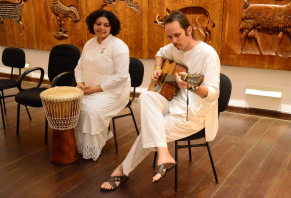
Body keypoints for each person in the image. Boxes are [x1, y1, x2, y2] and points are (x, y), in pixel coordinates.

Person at [100, 10, 220, 191]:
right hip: (172, 100)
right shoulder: (174, 47)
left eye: (177, 35)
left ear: (189, 30)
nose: (173, 41)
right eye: (170, 36)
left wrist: (192, 86)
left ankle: (122, 171)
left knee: (151, 129)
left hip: (194, 113)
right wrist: (157, 68)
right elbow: (160, 52)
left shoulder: (208, 54)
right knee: (146, 96)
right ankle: (164, 155)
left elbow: (213, 94)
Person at [74, 9, 131, 161]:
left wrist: (96, 89)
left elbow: (121, 76)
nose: (102, 28)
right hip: (88, 88)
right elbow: (79, 67)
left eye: (106, 25)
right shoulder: (89, 43)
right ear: (92, 25)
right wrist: (80, 83)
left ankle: (91, 149)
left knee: (90, 111)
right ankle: (78, 145)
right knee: (72, 106)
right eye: (98, 24)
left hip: (114, 91)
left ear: (112, 27)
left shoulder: (119, 46)